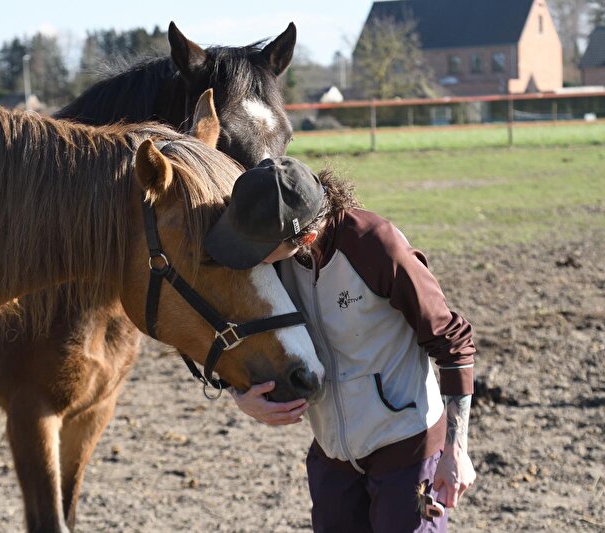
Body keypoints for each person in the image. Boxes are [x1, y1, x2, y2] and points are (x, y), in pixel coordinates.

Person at [204, 157, 476, 532]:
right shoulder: (274, 265)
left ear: (304, 238)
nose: (244, 255)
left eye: (253, 246)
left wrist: (455, 449)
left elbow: (453, 342)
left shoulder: (376, 247)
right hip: (331, 458)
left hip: (407, 454)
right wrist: (240, 394)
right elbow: (243, 332)